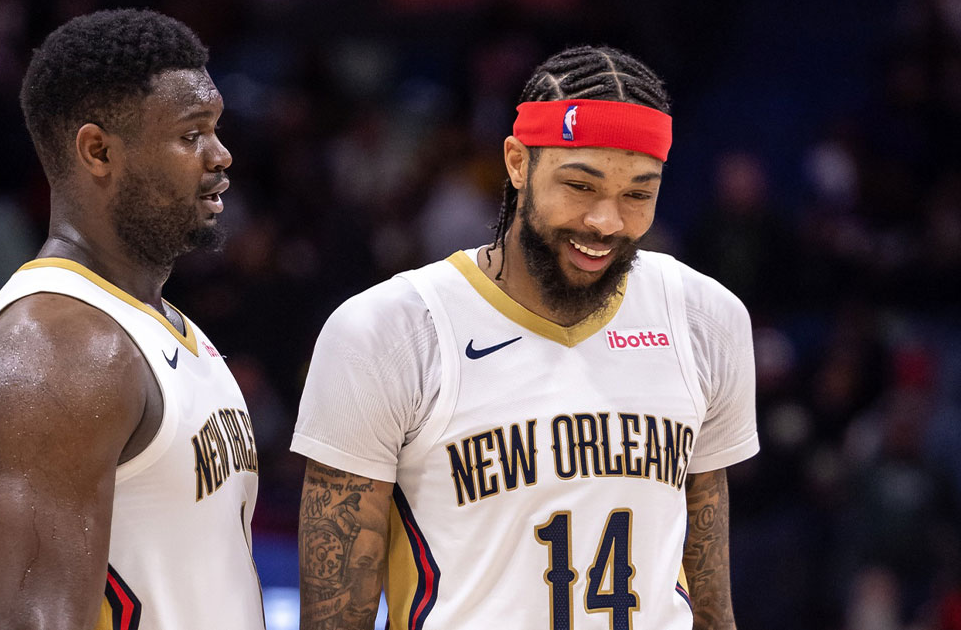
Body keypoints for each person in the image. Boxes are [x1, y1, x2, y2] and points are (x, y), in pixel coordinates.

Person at [292, 46, 758, 630]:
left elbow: (711, 595)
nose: (606, 221)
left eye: (638, 193)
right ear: (517, 163)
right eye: (581, 186)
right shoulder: (389, 331)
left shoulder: (705, 317)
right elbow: (336, 617)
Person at [0, 9, 264, 630]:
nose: (221, 155)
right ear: (98, 151)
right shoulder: (58, 350)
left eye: (216, 129)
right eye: (190, 134)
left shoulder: (153, 324)